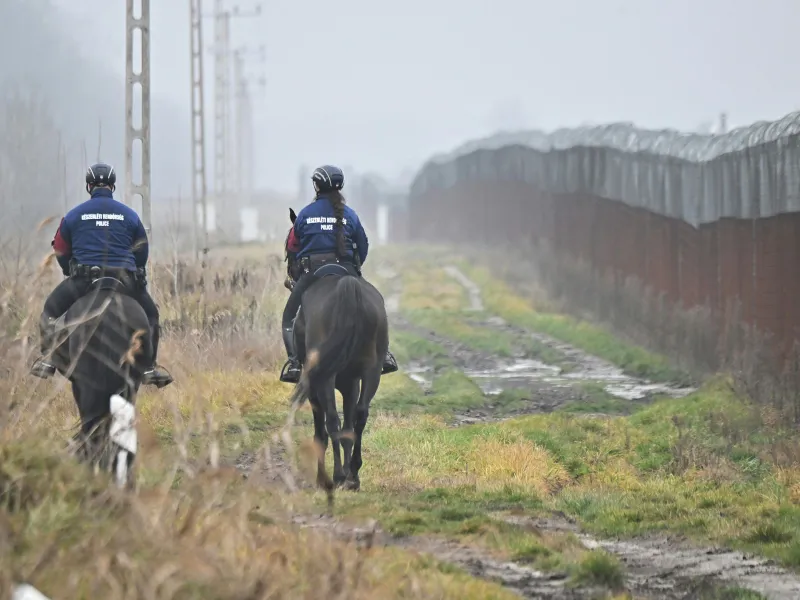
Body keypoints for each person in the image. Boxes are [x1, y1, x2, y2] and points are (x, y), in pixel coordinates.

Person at [29, 162, 173, 388]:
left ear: (89, 186)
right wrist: (137, 275)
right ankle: (149, 367)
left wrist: (68, 270)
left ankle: (48, 360)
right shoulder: (130, 215)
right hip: (124, 282)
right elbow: (142, 252)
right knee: (152, 316)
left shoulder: (73, 216)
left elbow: (60, 249)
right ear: (112, 186)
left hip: (84, 282)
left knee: (49, 311)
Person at [279, 164, 398, 384]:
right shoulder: (350, 215)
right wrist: (354, 268)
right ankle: (384, 354)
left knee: (289, 318)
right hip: (346, 271)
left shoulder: (305, 214)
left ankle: (295, 363)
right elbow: (363, 245)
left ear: (316, 185)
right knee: (376, 303)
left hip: (312, 275)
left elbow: (293, 248)